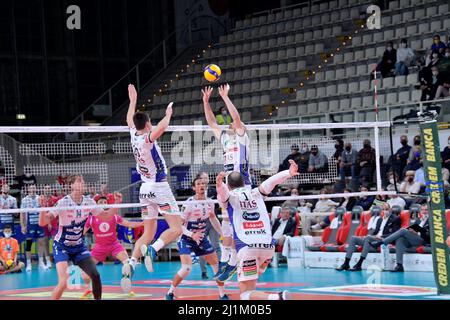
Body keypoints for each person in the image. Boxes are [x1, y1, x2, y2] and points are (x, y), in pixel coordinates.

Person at [216, 159, 300, 300]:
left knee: (245, 294)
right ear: (244, 182)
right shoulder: (257, 193)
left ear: (229, 186)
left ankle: (278, 298)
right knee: (251, 287)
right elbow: (272, 181)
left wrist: (219, 185)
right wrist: (289, 172)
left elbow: (223, 194)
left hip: (247, 248)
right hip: (268, 248)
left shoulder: (230, 197)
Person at [123, 84, 183, 280]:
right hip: (159, 188)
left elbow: (129, 119)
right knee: (177, 228)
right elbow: (163, 127)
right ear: (148, 123)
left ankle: (131, 263)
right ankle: (153, 250)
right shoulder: (146, 139)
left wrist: (133, 100)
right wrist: (168, 113)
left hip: (144, 190)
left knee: (149, 232)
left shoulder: (133, 134)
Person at [202, 84, 251, 282]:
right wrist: (205, 102)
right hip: (228, 188)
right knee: (226, 224)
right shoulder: (224, 139)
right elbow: (212, 122)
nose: (231, 124)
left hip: (242, 186)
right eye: (231, 124)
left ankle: (233, 261)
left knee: (236, 224)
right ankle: (227, 261)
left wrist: (225, 97)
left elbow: (237, 119)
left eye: (234, 124)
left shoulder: (242, 138)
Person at [39, 174, 103, 300]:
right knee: (63, 283)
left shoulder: (89, 202)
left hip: (79, 247)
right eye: (78, 181)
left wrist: (117, 203)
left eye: (82, 182)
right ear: (71, 185)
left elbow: (105, 216)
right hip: (61, 246)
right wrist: (42, 208)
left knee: (95, 275)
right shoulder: (63, 202)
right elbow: (43, 222)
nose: (81, 184)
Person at [165, 177, 228, 300]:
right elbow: (179, 226)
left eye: (203, 183)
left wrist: (222, 233)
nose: (201, 186)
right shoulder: (189, 203)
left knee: (216, 266)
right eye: (198, 184)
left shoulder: (210, 202)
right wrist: (191, 235)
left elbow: (213, 218)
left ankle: (222, 294)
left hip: (201, 238)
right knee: (186, 268)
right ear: (194, 188)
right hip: (186, 238)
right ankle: (170, 292)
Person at [82, 194, 143, 295]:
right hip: (99, 247)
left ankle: (127, 286)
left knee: (128, 265)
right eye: (100, 202)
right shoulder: (91, 219)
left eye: (105, 202)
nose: (103, 204)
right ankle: (89, 289)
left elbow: (128, 223)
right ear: (95, 205)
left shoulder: (113, 216)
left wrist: (141, 223)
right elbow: (81, 233)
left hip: (114, 245)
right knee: (84, 273)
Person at [336, 203, 401, 271]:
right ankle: (346, 264)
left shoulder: (395, 219)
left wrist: (381, 236)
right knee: (353, 238)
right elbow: (375, 232)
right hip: (374, 239)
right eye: (383, 209)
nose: (385, 211)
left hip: (384, 240)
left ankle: (359, 264)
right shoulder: (379, 220)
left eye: (386, 209)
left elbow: (395, 233)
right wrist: (371, 235)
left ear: (390, 209)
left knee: (368, 238)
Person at [371, 204, 430, 272]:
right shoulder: (418, 220)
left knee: (403, 230)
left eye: (426, 210)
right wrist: (412, 231)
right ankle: (399, 265)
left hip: (422, 240)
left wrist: (418, 233)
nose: (424, 212)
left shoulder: (431, 220)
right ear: (420, 211)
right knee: (400, 239)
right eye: (422, 210)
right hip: (413, 239)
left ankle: (381, 242)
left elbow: (429, 235)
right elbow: (412, 229)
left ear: (429, 211)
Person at [196, 172, 221, 280]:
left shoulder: (213, 191)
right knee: (201, 247)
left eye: (207, 178)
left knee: (216, 245)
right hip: (201, 222)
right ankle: (203, 271)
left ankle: (220, 269)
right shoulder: (196, 192)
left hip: (213, 221)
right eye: (203, 178)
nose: (206, 180)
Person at [20, 185, 47, 271]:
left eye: (34, 187)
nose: (33, 189)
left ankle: (41, 263)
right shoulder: (24, 200)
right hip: (30, 224)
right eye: (31, 188)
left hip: (39, 224)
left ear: (36, 189)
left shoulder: (40, 198)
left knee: (41, 243)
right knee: (28, 245)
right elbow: (22, 214)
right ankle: (28, 264)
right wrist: (23, 225)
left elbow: (44, 211)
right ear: (28, 190)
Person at [39, 184, 58, 269]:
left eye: (49, 188)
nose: (47, 189)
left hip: (54, 223)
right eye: (46, 188)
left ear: (51, 190)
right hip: (44, 224)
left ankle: (57, 259)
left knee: (55, 242)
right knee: (45, 242)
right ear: (43, 190)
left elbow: (56, 212)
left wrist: (51, 222)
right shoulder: (41, 199)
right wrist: (47, 222)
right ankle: (48, 261)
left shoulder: (55, 199)